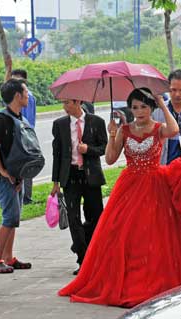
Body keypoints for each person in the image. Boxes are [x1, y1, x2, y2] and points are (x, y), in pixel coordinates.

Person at [58, 88, 181, 307]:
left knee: (158, 233)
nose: (139, 111)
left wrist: (161, 102)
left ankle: (155, 278)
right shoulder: (125, 130)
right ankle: (126, 280)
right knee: (123, 234)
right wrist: (112, 135)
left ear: (151, 108)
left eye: (143, 107)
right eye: (134, 107)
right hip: (129, 186)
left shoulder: (159, 128)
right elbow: (111, 159)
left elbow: (174, 129)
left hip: (155, 184)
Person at [50, 98, 108, 275]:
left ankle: (92, 253)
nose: (64, 107)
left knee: (95, 217)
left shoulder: (96, 122)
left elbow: (104, 147)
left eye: (67, 103)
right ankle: (82, 260)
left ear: (77, 102)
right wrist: (55, 182)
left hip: (90, 176)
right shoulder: (59, 124)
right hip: (71, 176)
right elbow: (57, 153)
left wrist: (88, 149)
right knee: (73, 218)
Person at [0, 79, 32, 273]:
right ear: (17, 96)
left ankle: (8, 257)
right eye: (26, 92)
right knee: (9, 217)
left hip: (16, 178)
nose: (28, 96)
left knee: (14, 218)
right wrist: (3, 171)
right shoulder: (1, 118)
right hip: (4, 178)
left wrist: (19, 175)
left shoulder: (19, 117)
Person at [5, 60, 37, 205]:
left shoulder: (27, 97)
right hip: (19, 135)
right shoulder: (16, 97)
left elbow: (28, 120)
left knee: (26, 166)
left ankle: (26, 198)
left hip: (24, 136)